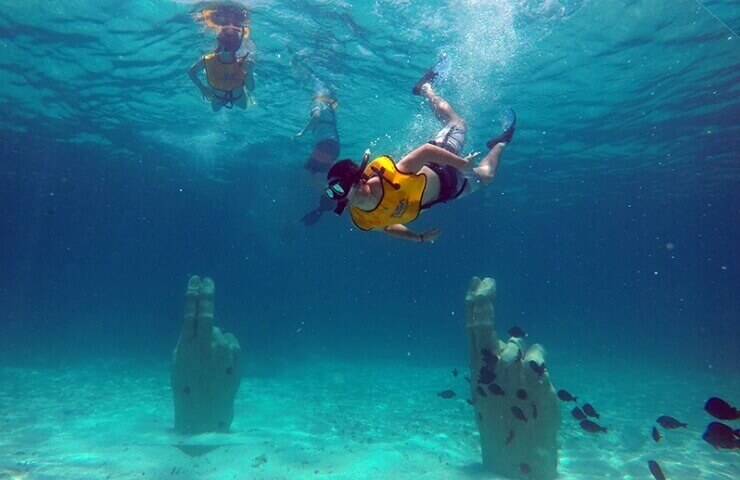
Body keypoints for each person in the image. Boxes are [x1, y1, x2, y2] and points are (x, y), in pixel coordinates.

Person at [322, 59, 516, 243]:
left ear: (359, 180)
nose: (342, 197)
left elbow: (426, 152)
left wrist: (461, 164)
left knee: (457, 124)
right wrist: (418, 238)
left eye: (341, 188)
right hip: (448, 191)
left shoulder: (389, 177)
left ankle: (425, 88)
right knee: (487, 176)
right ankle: (502, 141)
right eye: (333, 193)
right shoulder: (363, 218)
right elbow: (386, 227)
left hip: (440, 164)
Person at [294, 92, 341, 226]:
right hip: (334, 147)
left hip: (325, 145)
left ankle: (331, 193)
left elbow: (315, 116)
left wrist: (302, 132)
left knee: (308, 175)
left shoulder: (318, 103)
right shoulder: (332, 111)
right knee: (324, 176)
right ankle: (327, 203)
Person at [188, 26, 255, 111]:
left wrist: (249, 71)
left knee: (242, 107)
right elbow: (191, 72)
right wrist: (202, 88)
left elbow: (191, 72)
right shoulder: (209, 60)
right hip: (231, 96)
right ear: (238, 44)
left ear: (219, 41)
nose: (228, 45)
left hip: (224, 96)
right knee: (217, 110)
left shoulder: (243, 62)